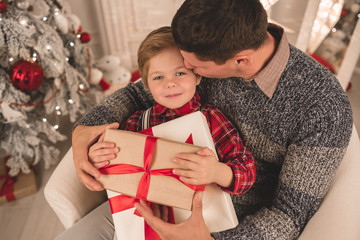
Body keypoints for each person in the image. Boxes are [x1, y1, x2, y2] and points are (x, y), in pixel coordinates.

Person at [71, 0, 353, 239]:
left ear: (240, 61)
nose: (186, 70)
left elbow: (289, 215)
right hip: (148, 196)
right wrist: (86, 128)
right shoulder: (212, 46)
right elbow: (139, 93)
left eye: (192, 67)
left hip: (225, 224)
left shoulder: (324, 109)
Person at [57, 26, 255, 240]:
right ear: (147, 85)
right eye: (158, 77)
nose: (170, 83)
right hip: (137, 220)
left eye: (180, 73)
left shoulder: (212, 120)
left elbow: (247, 171)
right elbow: (114, 170)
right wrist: (99, 158)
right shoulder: (135, 123)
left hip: (197, 225)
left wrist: (217, 172)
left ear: (197, 76)